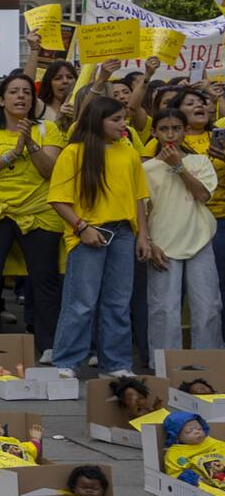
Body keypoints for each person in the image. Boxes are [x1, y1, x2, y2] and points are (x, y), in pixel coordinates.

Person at [48, 96, 151, 380]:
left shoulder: (129, 152)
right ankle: (66, 362)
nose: (123, 124)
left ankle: (115, 363)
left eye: (123, 119)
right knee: (81, 302)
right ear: (97, 121)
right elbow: (57, 199)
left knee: (118, 302)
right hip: (89, 232)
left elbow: (139, 198)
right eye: (116, 119)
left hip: (123, 233)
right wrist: (82, 228)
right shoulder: (73, 153)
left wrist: (143, 236)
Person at [0, 73, 65, 359]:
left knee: (45, 277)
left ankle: (49, 344)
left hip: (38, 211)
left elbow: (51, 172)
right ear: (0, 100)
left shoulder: (48, 129)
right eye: (14, 92)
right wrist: (13, 153)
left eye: (26, 93)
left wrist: (31, 145)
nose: (21, 97)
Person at [141, 106, 222, 352]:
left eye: (176, 128)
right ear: (154, 132)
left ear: (185, 131)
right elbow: (141, 210)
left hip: (200, 239)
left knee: (207, 307)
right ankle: (165, 367)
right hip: (162, 243)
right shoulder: (146, 169)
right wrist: (148, 241)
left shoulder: (199, 161)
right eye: (164, 129)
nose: (170, 134)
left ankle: (208, 366)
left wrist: (178, 167)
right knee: (164, 308)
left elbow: (203, 195)